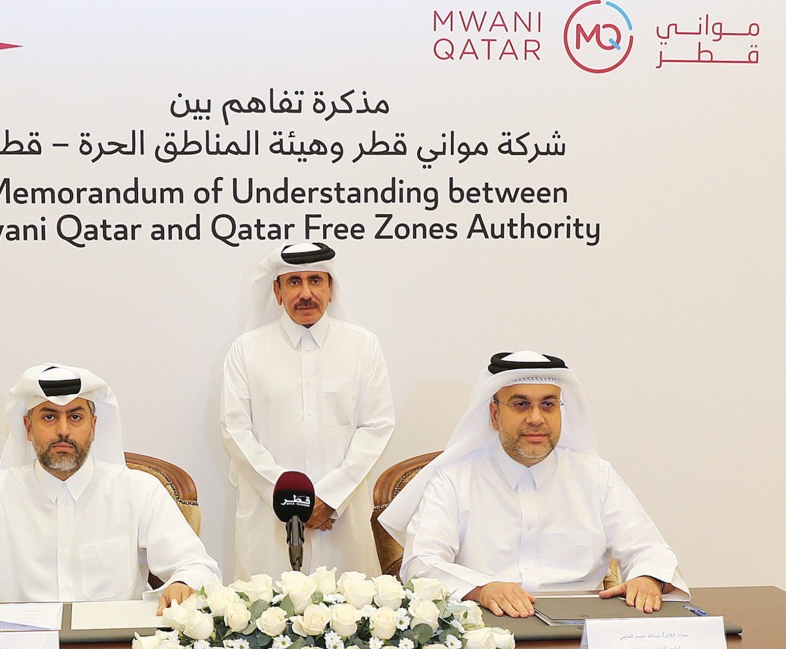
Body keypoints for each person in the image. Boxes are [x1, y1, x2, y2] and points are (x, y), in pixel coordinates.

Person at [0, 363, 220, 625]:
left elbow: (196, 566)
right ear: (28, 427)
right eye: (49, 417)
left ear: (93, 426)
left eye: (75, 417)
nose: (63, 430)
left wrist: (184, 583)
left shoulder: (138, 491)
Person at [380, 351, 688, 616]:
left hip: (580, 629)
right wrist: (481, 589)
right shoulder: (454, 479)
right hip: (484, 628)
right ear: (494, 414)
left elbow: (649, 548)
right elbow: (421, 564)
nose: (536, 418)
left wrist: (648, 579)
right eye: (521, 404)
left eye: (548, 404)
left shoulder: (595, 476)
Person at [221, 242, 395, 579]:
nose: (305, 293)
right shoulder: (246, 350)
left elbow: (377, 425)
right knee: (265, 608)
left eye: (315, 280)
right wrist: (289, 499)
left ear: (331, 289)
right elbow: (235, 431)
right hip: (269, 517)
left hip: (341, 517)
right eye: (293, 282)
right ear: (277, 291)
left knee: (351, 608)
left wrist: (330, 497)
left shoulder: (363, 346)